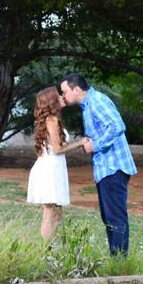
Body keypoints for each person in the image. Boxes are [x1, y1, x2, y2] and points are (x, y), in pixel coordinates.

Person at [59, 73, 137, 255]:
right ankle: (116, 259)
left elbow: (118, 126)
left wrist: (95, 145)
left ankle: (119, 264)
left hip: (113, 167)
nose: (63, 96)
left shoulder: (97, 101)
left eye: (65, 91)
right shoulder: (88, 105)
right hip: (105, 168)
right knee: (109, 217)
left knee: (115, 217)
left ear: (76, 89)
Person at [26, 87, 89, 245]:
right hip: (50, 170)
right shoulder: (51, 120)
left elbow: (57, 145)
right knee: (49, 213)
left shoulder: (53, 119)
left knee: (57, 212)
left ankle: (51, 249)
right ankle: (46, 251)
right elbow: (58, 149)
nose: (62, 97)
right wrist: (80, 142)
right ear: (52, 101)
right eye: (58, 96)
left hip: (54, 168)